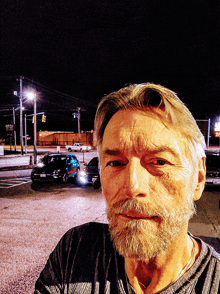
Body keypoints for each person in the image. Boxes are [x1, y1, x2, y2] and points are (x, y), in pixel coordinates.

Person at [35, 83, 220, 294]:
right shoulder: (75, 251)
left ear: (198, 178)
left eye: (159, 162)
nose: (132, 187)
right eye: (115, 163)